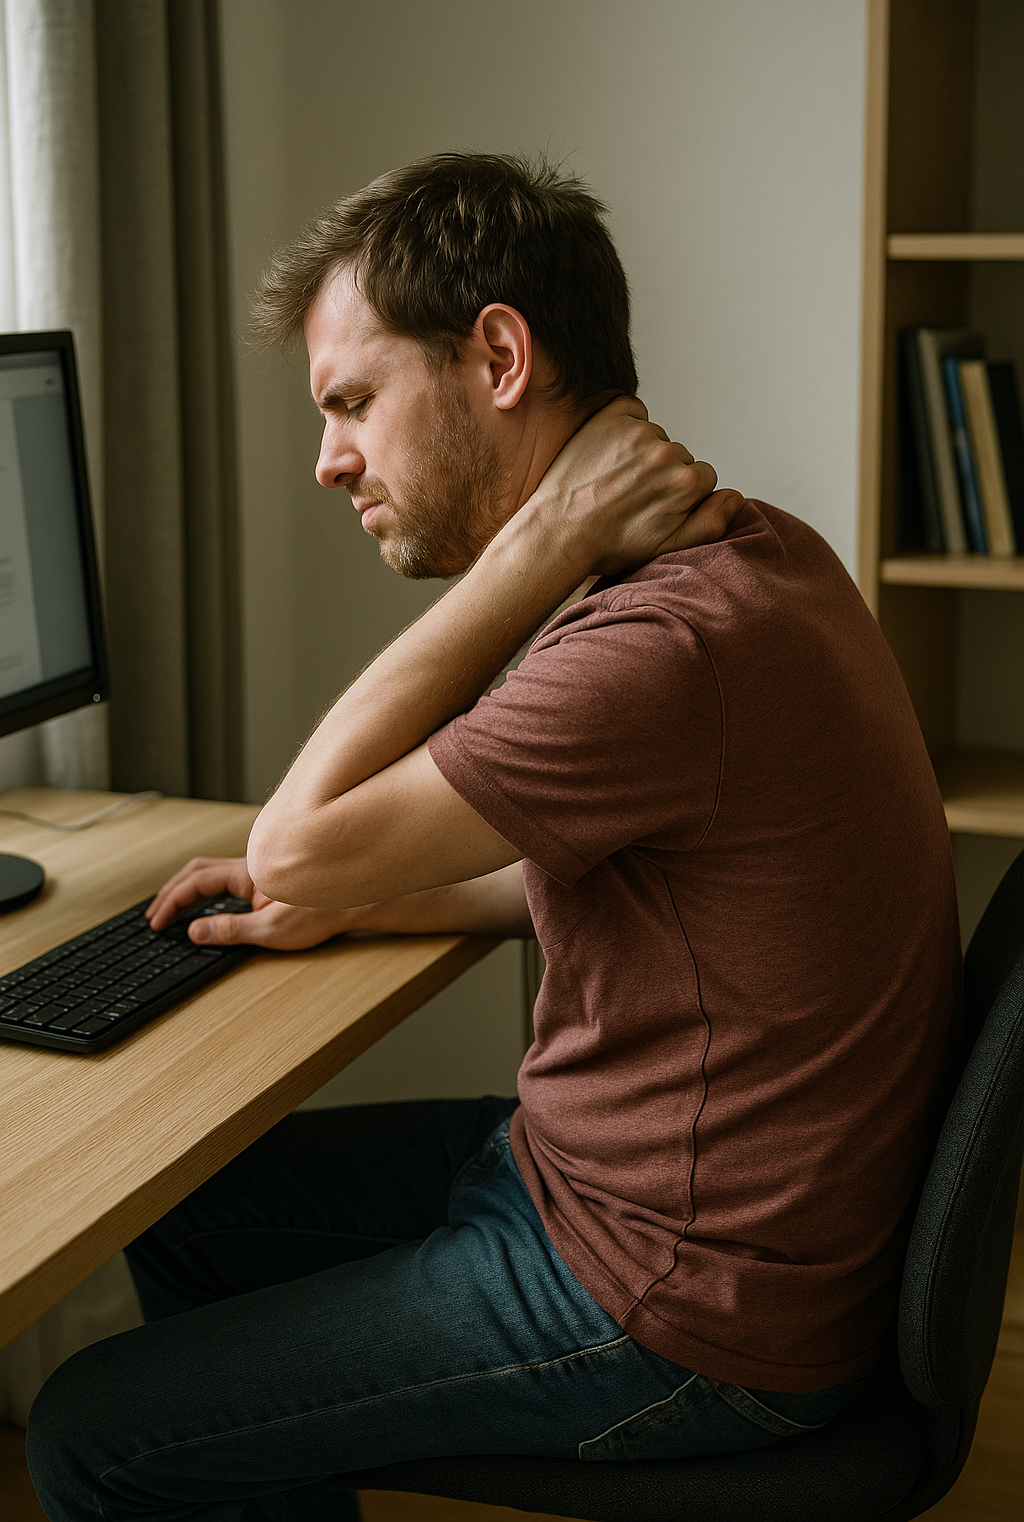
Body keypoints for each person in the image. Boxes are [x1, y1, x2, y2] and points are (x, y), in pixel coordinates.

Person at [27, 154, 960, 1522]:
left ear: (500, 356)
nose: (328, 457)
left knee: (93, 1427)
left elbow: (291, 844)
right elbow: (651, 877)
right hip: (657, 1209)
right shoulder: (756, 554)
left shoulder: (654, 641)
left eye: (351, 400)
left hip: (674, 1305)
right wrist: (373, 905)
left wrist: (533, 556)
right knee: (182, 1214)